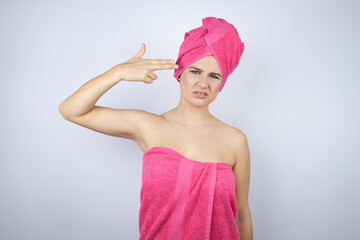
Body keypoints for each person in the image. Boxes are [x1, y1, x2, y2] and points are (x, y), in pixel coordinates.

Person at [59, 17, 253, 240]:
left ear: (222, 82)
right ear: (179, 73)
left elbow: (242, 216)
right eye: (195, 71)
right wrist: (118, 73)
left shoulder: (235, 140)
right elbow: (71, 110)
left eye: (214, 76)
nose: (203, 84)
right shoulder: (148, 126)